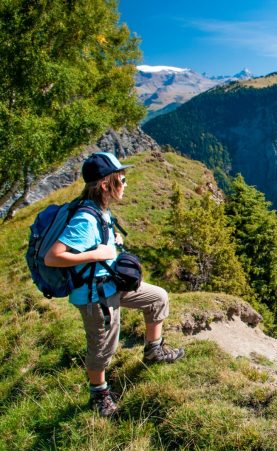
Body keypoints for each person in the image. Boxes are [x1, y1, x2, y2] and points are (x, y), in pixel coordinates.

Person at [45, 152, 184, 417]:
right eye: (122, 177)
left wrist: (112, 241)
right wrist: (98, 254)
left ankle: (154, 350)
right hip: (95, 295)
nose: (126, 182)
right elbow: (53, 256)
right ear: (106, 184)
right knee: (102, 349)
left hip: (111, 284)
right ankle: (99, 395)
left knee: (157, 297)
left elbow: (98, 241)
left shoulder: (100, 211)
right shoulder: (86, 218)